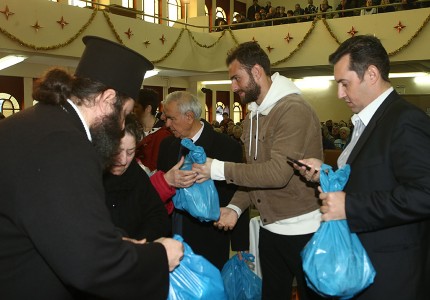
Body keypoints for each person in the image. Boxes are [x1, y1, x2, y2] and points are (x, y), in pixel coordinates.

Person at [0, 36, 183, 299]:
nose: (121, 126)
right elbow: (87, 262)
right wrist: (159, 257)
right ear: (108, 98)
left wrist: (117, 242)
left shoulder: (36, 122)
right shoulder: (64, 144)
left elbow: (61, 225)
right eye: (124, 113)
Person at [296, 35, 430, 300]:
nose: (339, 94)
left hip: (393, 274)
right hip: (364, 262)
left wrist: (351, 207)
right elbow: (372, 177)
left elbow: (425, 193)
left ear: (371, 74)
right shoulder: (367, 120)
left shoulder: (405, 121)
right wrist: (326, 173)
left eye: (344, 84)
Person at [192, 42, 324, 300]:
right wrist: (235, 207)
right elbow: (255, 173)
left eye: (236, 78)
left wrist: (216, 169)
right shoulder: (254, 114)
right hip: (270, 228)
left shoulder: (292, 109)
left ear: (256, 72)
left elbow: (277, 173)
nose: (233, 86)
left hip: (304, 231)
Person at [157, 91, 250, 271]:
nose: (167, 124)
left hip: (209, 238)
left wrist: (240, 243)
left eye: (171, 118)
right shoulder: (167, 146)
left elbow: (239, 191)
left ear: (189, 117)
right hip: (170, 236)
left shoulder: (226, 147)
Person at [104, 114, 170, 241]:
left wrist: (138, 242)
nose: (123, 160)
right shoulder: (89, 174)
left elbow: (159, 217)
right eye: (117, 151)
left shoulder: (135, 174)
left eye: (130, 152)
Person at [134, 88, 172, 173]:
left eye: (136, 107)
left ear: (148, 108)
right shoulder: (132, 129)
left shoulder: (163, 134)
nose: (133, 110)